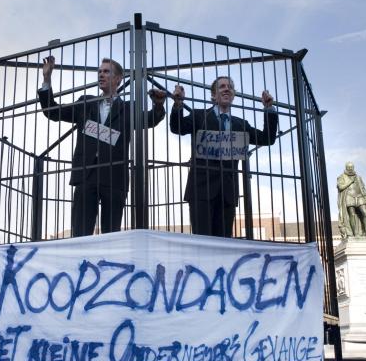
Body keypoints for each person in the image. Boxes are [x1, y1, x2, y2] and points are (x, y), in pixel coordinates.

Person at [38, 55, 167, 237]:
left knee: (111, 235)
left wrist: (158, 105)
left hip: (114, 177)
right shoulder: (85, 102)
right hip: (86, 175)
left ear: (118, 79)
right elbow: (52, 111)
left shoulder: (129, 107)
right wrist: (47, 79)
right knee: (81, 233)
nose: (101, 75)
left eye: (106, 71)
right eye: (99, 71)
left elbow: (150, 119)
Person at [170, 77, 278, 237]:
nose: (227, 89)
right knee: (203, 241)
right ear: (214, 95)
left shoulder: (241, 124)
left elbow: (267, 139)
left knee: (224, 242)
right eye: (222, 87)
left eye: (230, 87)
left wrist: (269, 109)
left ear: (233, 95)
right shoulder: (199, 116)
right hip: (201, 190)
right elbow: (177, 127)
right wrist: (178, 104)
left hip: (228, 193)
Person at [337, 162, 366, 239]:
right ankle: (355, 233)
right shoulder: (341, 177)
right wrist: (350, 182)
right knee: (352, 214)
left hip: (359, 196)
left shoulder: (358, 177)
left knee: (365, 212)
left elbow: (363, 188)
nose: (350, 169)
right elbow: (340, 187)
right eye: (349, 167)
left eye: (352, 167)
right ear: (346, 167)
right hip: (349, 196)